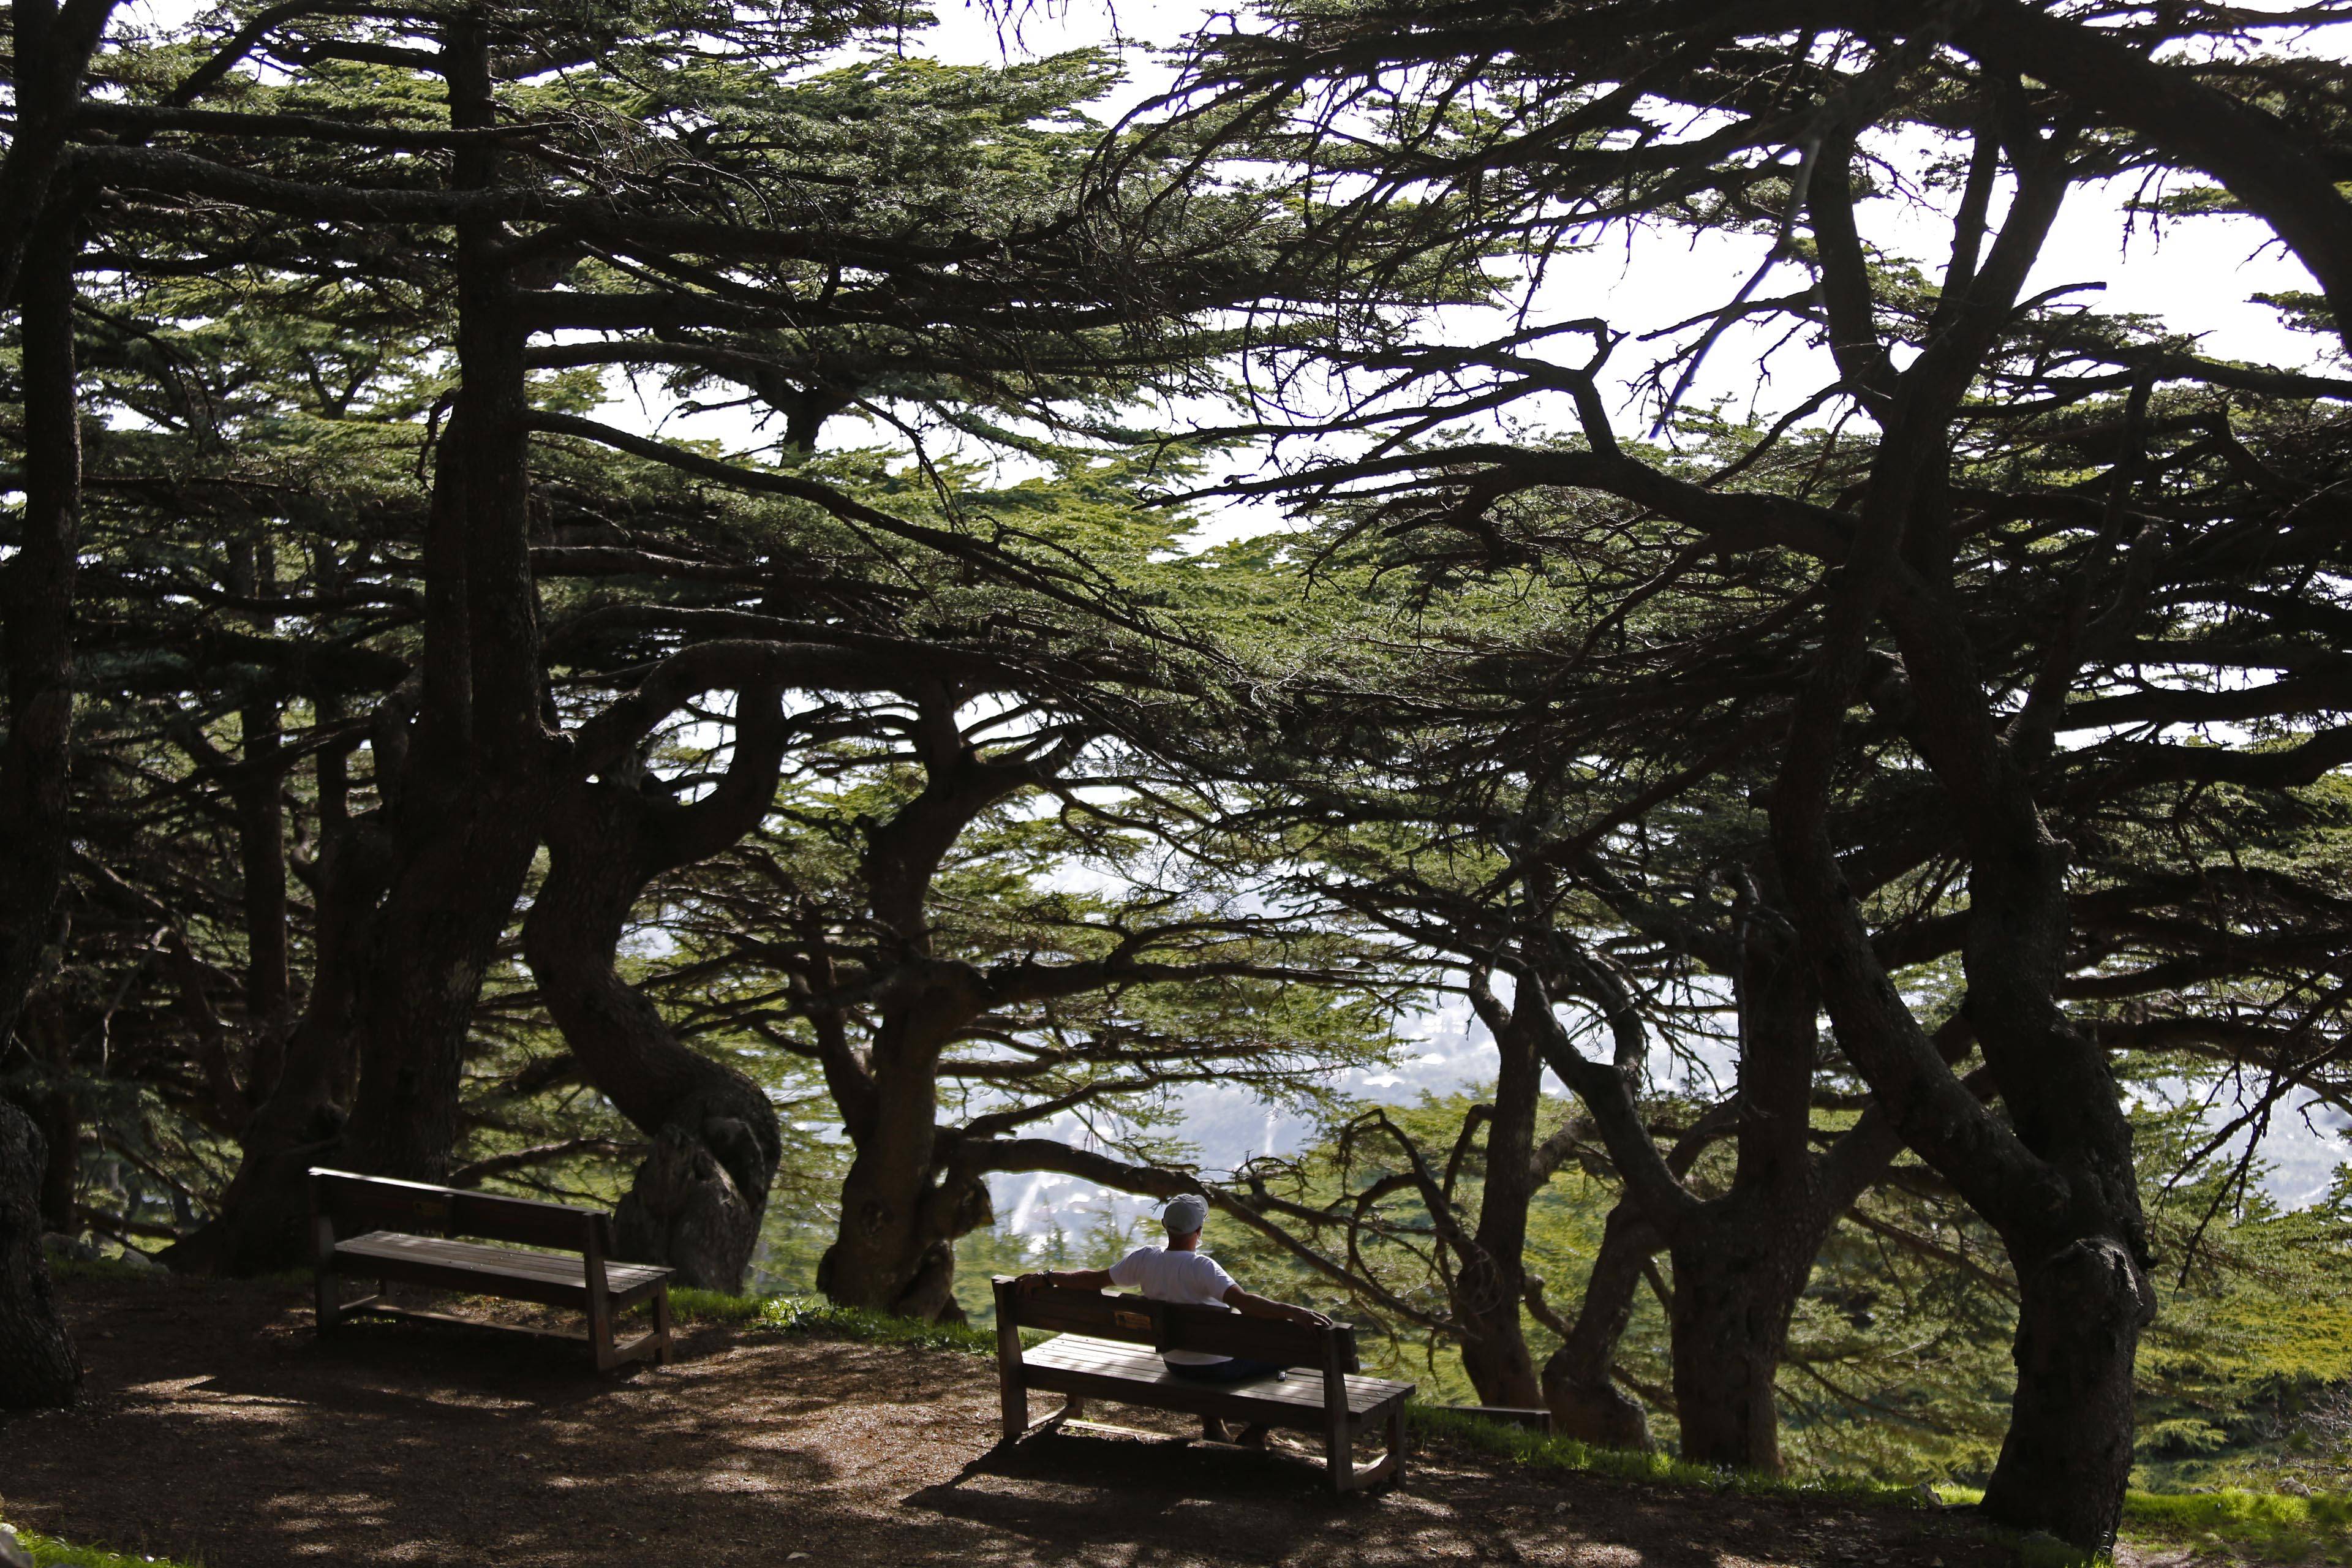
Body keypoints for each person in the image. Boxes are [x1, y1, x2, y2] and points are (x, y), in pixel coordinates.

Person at [1017, 1192, 1331, 1445]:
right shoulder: (1203, 1268)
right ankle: (1257, 1432)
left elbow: (1093, 1280)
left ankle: (1214, 1426)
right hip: (1218, 1370)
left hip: (1176, 1363)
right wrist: (1293, 1312)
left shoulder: (1144, 1260)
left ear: (1167, 1227)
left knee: (1199, 1345)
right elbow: (1246, 1304)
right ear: (1199, 1231)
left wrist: (1049, 1276)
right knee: (1287, 1356)